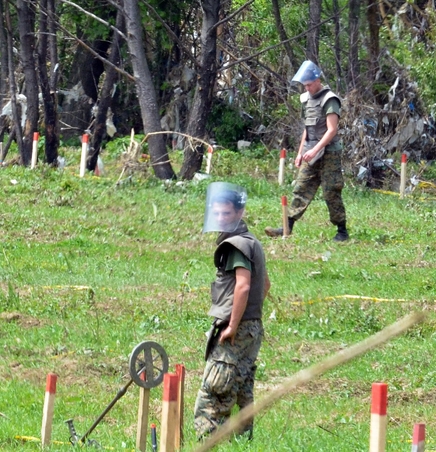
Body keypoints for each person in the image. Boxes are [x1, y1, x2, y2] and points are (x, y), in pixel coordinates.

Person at [194, 182, 271, 441]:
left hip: (236, 329)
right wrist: (250, 317)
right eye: (216, 213)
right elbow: (266, 285)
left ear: (240, 212)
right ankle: (242, 443)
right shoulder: (252, 242)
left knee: (214, 393)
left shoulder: (235, 245)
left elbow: (243, 286)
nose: (220, 218)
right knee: (242, 388)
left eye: (226, 213)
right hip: (253, 328)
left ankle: (207, 444)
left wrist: (233, 325)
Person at [265, 60, 348, 241]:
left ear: (318, 80)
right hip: (311, 151)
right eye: (305, 85)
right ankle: (286, 227)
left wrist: (316, 149)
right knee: (301, 187)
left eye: (310, 84)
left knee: (331, 191)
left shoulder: (330, 100)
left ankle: (342, 231)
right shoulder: (306, 99)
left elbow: (331, 130)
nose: (307, 88)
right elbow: (307, 129)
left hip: (329, 152)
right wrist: (301, 152)